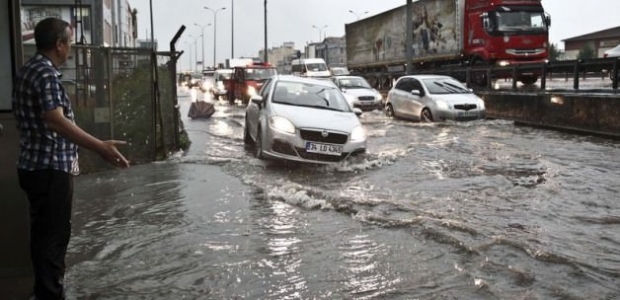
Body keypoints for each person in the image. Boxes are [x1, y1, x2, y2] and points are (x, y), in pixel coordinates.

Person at [12, 17, 130, 300]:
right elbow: (56, 121)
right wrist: (100, 147)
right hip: (50, 169)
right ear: (59, 44)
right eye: (70, 43)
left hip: (37, 167)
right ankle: (51, 294)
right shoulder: (44, 74)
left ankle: (44, 291)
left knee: (44, 236)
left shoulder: (30, 70)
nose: (71, 49)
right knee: (53, 238)